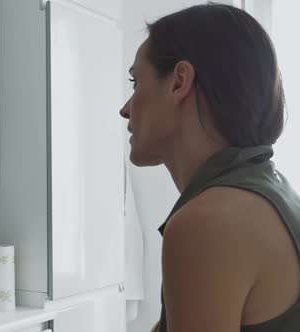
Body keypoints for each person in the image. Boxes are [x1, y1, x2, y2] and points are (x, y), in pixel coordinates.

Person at [120, 3, 300, 332]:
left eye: (135, 83)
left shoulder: (208, 222)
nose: (125, 109)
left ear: (179, 82)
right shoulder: (270, 191)